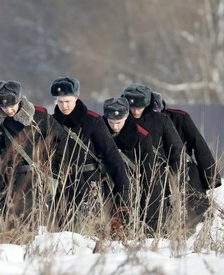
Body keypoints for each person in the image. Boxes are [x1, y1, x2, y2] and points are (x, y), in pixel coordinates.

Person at [0, 80, 68, 229]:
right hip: (9, 179)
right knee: (11, 222)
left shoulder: (39, 115)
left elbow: (61, 140)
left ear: (19, 99)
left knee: (38, 223)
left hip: (38, 177)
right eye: (4, 107)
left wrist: (54, 169)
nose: (9, 110)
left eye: (12, 105)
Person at [50, 77, 130, 232]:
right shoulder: (52, 122)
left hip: (90, 183)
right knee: (62, 233)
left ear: (76, 98)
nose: (64, 106)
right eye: (60, 102)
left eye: (67, 101)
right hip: (64, 184)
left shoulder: (93, 120)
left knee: (91, 230)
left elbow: (111, 155)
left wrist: (123, 188)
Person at [152, 91, 222, 228]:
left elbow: (199, 144)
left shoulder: (180, 117)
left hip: (185, 168)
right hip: (155, 170)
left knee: (197, 209)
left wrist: (211, 177)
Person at [122, 83, 184, 233]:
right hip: (127, 173)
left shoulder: (161, 120)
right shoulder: (119, 119)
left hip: (156, 175)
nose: (136, 111)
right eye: (132, 107)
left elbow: (176, 149)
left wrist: (176, 176)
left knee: (155, 215)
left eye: (140, 107)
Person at [103, 97, 159, 233]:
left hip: (130, 188)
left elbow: (149, 173)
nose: (115, 126)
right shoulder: (99, 130)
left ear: (127, 117)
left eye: (119, 122)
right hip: (104, 187)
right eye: (111, 122)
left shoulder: (141, 136)